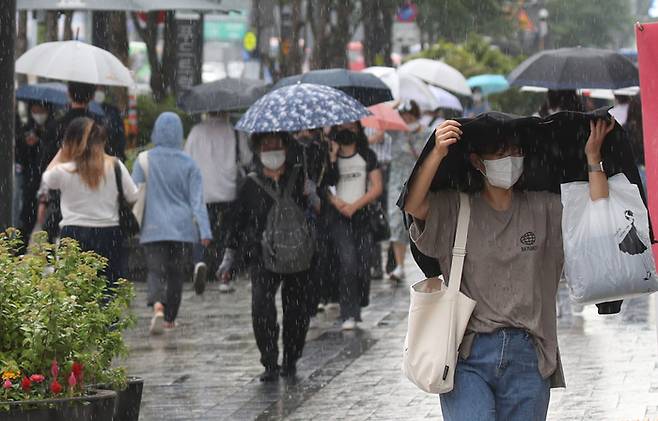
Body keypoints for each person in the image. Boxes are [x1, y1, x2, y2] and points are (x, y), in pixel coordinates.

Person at [403, 117, 615, 420]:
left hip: (528, 355)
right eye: (500, 154)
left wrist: (594, 159)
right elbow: (413, 205)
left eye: (516, 152)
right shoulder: (457, 208)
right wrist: (436, 151)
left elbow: (596, 211)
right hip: (467, 356)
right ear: (477, 162)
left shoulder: (543, 208)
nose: (510, 160)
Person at [217, 132, 312, 382]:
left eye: (277, 144)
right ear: (258, 149)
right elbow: (237, 223)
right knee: (261, 307)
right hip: (261, 255)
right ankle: (270, 361)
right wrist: (230, 255)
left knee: (297, 310)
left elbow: (314, 209)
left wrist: (312, 188)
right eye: (266, 145)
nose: (272, 149)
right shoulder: (250, 183)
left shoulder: (301, 175)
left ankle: (291, 358)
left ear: (285, 146)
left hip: (297, 255)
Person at [132, 112, 212, 334]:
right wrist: (204, 230)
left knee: (155, 270)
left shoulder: (143, 160)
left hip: (153, 226)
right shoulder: (190, 164)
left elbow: (133, 192)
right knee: (176, 273)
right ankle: (169, 318)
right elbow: (197, 201)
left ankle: (157, 305)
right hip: (182, 228)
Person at [41, 116, 139, 293]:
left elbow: (47, 178)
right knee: (109, 288)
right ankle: (110, 321)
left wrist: (62, 151)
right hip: (109, 232)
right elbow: (132, 195)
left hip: (73, 234)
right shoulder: (115, 166)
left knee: (73, 291)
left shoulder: (65, 170)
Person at [184, 111, 252, 293]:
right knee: (228, 235)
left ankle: (199, 262)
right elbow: (246, 159)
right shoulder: (236, 131)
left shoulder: (196, 132)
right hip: (229, 191)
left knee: (203, 231)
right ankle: (224, 276)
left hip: (204, 192)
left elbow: (187, 159)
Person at [326, 121, 383, 330]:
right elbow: (325, 186)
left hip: (363, 217)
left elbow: (377, 187)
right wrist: (339, 204)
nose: (346, 131)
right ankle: (346, 312)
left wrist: (355, 206)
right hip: (339, 219)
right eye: (341, 128)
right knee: (347, 263)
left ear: (358, 130)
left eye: (350, 127)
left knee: (362, 263)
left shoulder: (367, 155)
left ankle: (357, 307)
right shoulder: (329, 158)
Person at [39, 82, 108, 242]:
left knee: (58, 248)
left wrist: (43, 198)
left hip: (61, 196)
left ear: (68, 94)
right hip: (96, 193)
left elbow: (44, 164)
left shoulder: (57, 125)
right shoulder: (100, 124)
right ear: (92, 96)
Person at [387, 100, 428, 282]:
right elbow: (380, 120)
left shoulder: (426, 133)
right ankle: (399, 265)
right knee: (396, 223)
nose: (407, 119)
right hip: (396, 183)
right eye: (404, 116)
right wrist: (395, 105)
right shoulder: (395, 133)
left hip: (418, 183)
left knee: (420, 222)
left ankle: (428, 262)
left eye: (410, 116)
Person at [15, 102, 53, 249]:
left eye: (41, 110)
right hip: (31, 180)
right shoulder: (26, 130)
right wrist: (27, 144)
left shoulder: (53, 128)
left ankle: (50, 254)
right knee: (26, 220)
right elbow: (20, 155)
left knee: (50, 222)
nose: (38, 114)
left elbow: (52, 151)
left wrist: (41, 142)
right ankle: (19, 251)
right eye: (35, 110)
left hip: (49, 179)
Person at [365, 126, 392, 280]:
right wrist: (371, 139)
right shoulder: (361, 122)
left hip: (387, 169)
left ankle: (391, 264)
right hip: (368, 170)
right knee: (373, 218)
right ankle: (375, 264)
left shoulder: (387, 121)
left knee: (388, 219)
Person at [93, 87, 126, 160]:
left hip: (110, 156)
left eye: (101, 89)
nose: (99, 92)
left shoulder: (112, 111)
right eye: (97, 89)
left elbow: (120, 135)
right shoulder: (87, 110)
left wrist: (117, 156)